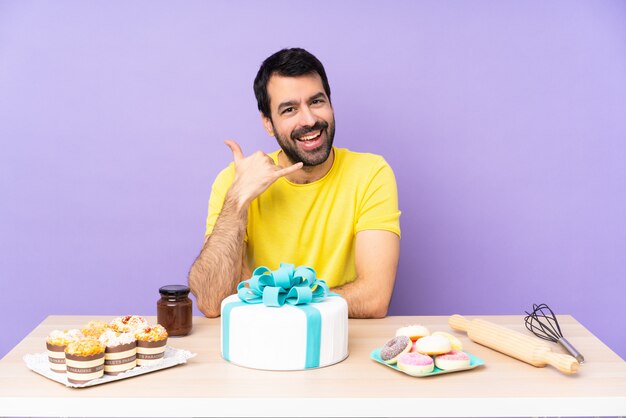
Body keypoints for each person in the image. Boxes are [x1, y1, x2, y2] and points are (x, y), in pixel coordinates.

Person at [188, 48, 400, 318]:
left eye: (316, 102)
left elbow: (374, 298)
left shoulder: (371, 173)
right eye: (289, 109)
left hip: (338, 344)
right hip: (259, 347)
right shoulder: (234, 181)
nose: (309, 120)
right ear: (268, 123)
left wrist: (270, 300)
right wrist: (238, 199)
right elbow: (211, 300)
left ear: (331, 104)